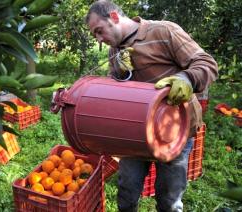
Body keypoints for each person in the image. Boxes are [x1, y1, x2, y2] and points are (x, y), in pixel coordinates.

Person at [85, 0, 218, 211]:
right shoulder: (114, 52)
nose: (99, 39)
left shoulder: (164, 31)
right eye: (95, 35)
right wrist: (118, 76)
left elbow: (206, 63)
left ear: (115, 17)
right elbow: (119, 92)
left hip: (174, 132)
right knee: (127, 193)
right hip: (135, 134)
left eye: (99, 31)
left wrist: (186, 78)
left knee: (169, 201)